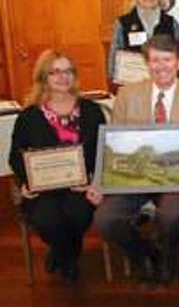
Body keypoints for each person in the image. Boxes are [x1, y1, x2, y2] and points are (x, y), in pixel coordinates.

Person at [93, 35, 179, 285]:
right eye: (155, 60)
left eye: (167, 60)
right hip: (132, 177)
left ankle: (167, 256)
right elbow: (114, 142)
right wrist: (101, 182)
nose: (161, 66)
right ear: (147, 63)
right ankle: (145, 253)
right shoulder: (127, 95)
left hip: (175, 178)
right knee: (105, 219)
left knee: (172, 216)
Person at [10, 50, 106, 282]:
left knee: (79, 213)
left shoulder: (92, 112)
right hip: (43, 189)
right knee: (46, 219)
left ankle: (62, 254)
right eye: (55, 72)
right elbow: (16, 156)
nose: (63, 77)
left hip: (80, 187)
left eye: (68, 71)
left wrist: (94, 180)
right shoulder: (29, 116)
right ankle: (69, 256)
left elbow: (105, 151)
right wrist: (25, 183)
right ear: (44, 77)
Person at [108, 0, 178, 81]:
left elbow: (177, 55)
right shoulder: (123, 23)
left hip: (164, 82)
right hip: (133, 84)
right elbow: (114, 57)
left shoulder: (171, 22)